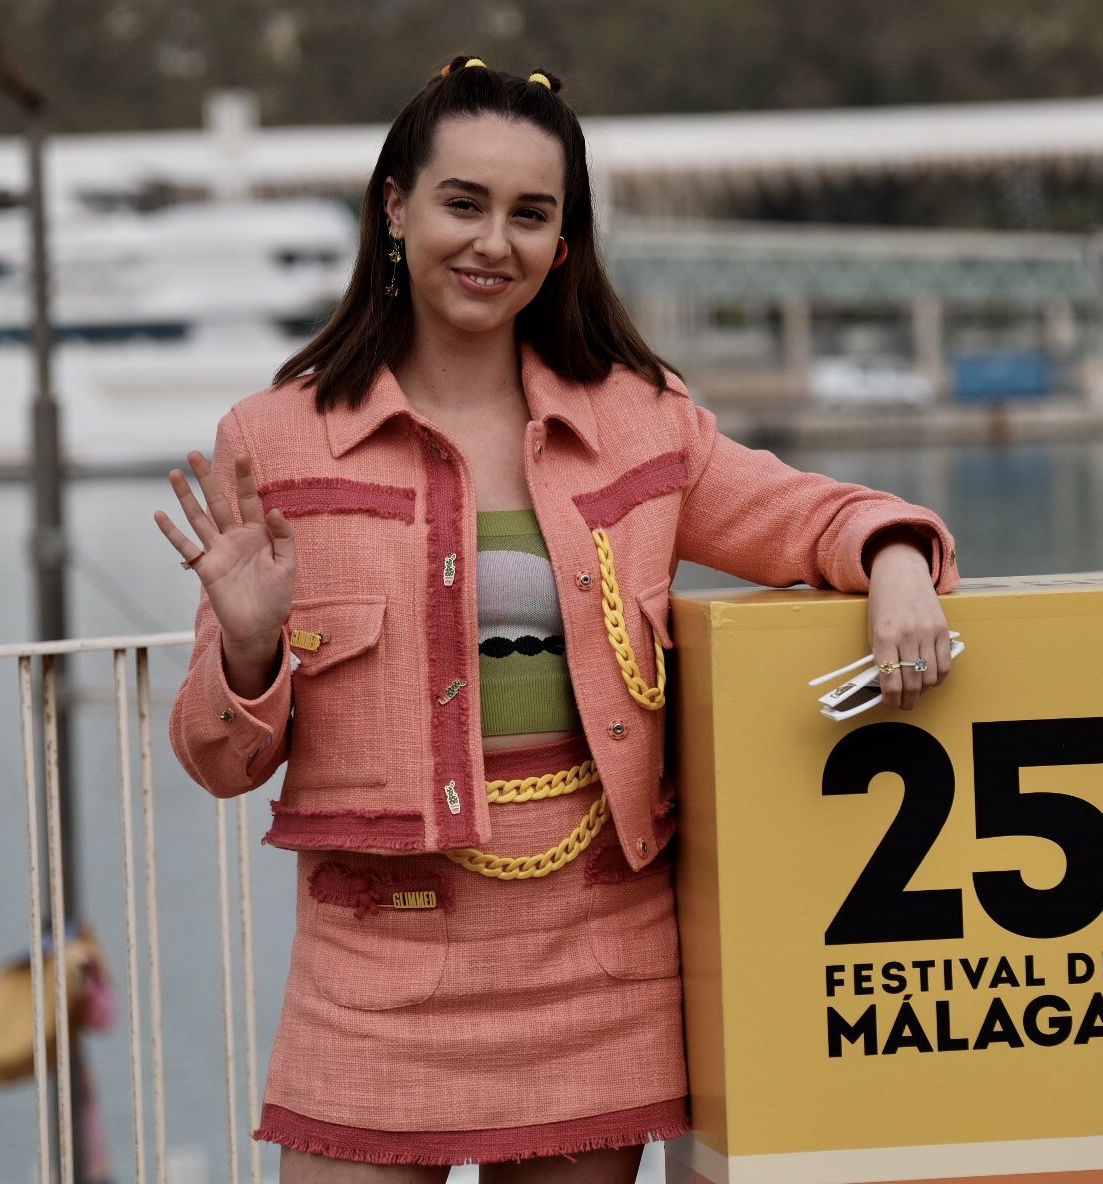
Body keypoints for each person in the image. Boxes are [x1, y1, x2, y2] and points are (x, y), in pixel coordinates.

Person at [155, 56, 961, 1184]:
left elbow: (804, 513)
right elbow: (218, 758)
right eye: (463, 202)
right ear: (395, 206)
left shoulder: (642, 423)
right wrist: (246, 645)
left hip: (599, 955)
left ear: (564, 241)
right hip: (375, 964)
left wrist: (894, 560)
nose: (495, 243)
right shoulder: (278, 438)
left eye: (531, 214)